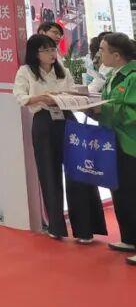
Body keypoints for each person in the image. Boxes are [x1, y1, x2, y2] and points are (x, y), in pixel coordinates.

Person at [14, 33, 106, 243]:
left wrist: (69, 98)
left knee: (78, 171)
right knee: (49, 172)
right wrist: (44, 98)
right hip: (44, 121)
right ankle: (56, 226)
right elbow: (21, 97)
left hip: (67, 119)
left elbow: (72, 92)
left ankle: (84, 229)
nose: (51, 54)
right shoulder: (25, 72)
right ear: (35, 53)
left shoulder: (62, 70)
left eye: (53, 49)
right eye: (46, 50)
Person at [93, 32, 136, 264]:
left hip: (130, 142)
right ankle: (129, 237)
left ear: (117, 55)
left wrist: (104, 109)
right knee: (119, 190)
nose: (99, 53)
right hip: (112, 141)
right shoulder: (112, 75)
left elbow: (131, 112)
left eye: (102, 49)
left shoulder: (133, 77)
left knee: (132, 191)